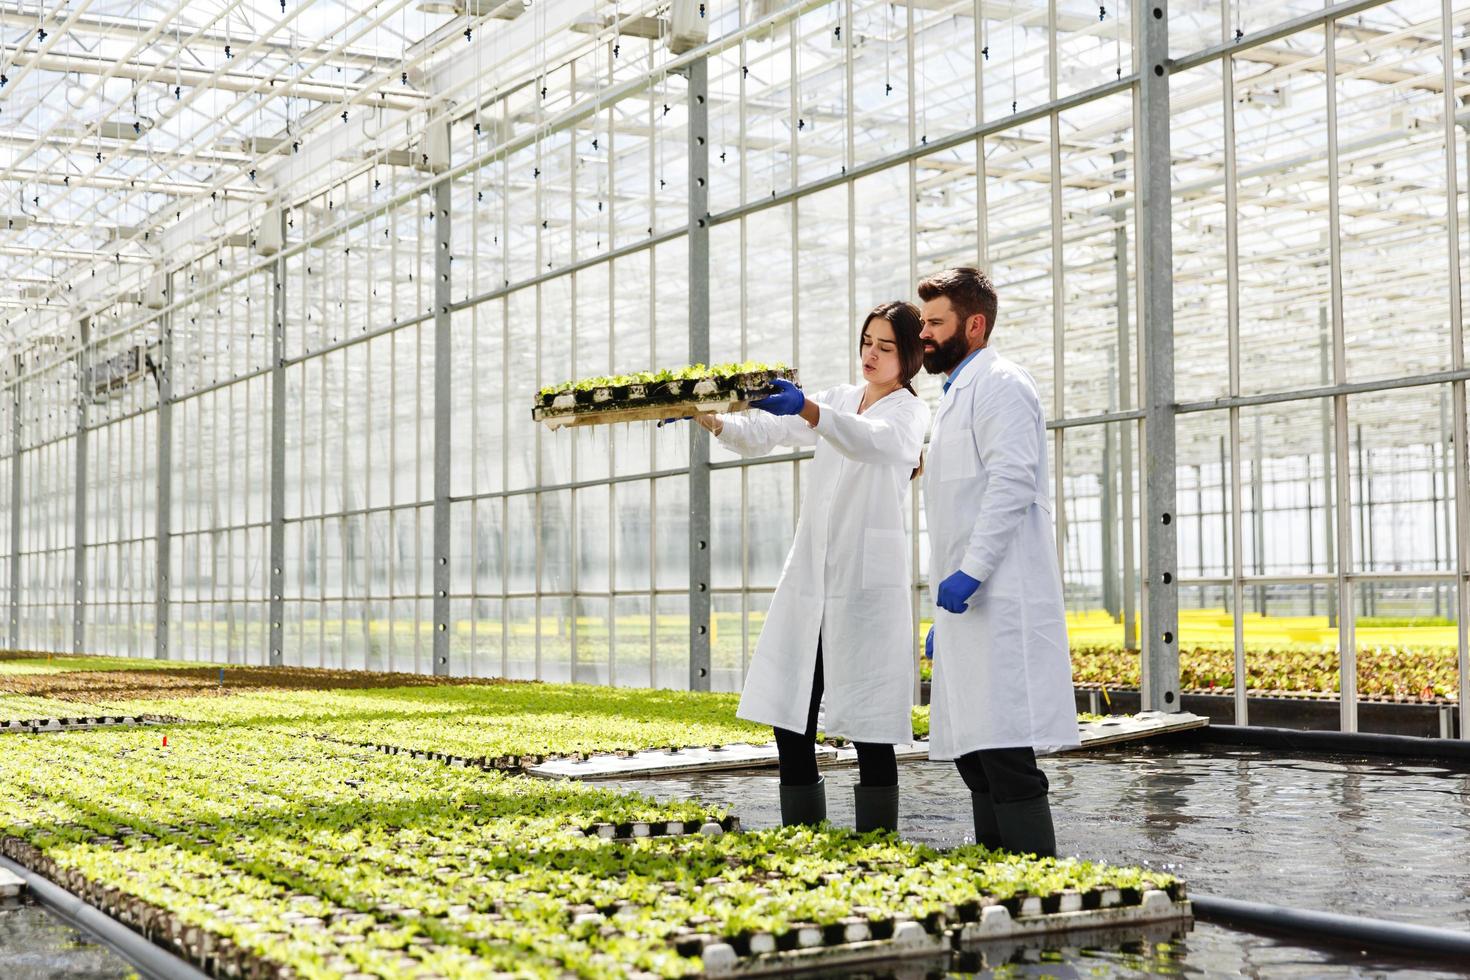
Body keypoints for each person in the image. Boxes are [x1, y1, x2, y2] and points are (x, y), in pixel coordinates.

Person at [680, 303, 929, 832]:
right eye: (867, 342)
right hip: (812, 578)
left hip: (864, 585)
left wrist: (812, 410)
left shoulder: (908, 412)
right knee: (790, 715)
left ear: (909, 357)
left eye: (886, 348)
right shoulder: (840, 398)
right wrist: (705, 416)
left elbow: (870, 441)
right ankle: (803, 833)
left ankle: (877, 841)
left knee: (870, 725)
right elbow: (762, 434)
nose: (871, 354)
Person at [917, 267, 1079, 858]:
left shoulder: (1002, 383)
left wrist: (974, 571)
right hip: (969, 606)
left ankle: (1035, 881)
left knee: (1006, 753)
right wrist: (951, 606)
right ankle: (995, 872)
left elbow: (1012, 482)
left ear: (975, 324)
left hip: (1001, 595)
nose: (925, 335)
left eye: (937, 323)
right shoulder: (955, 395)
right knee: (974, 755)